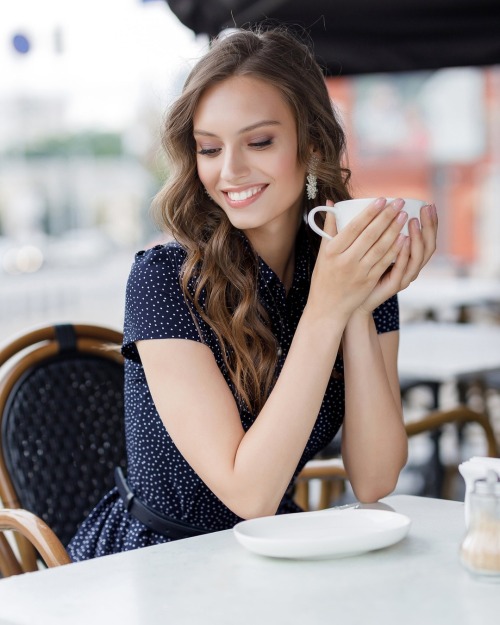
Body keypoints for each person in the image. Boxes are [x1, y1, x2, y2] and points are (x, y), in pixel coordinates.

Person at [68, 26, 438, 561]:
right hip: (157, 561)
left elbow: (375, 479)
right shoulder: (163, 280)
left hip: (271, 551)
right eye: (210, 149)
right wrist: (329, 306)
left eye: (259, 141)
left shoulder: (343, 268)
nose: (231, 171)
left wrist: (356, 303)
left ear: (311, 146)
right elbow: (250, 494)